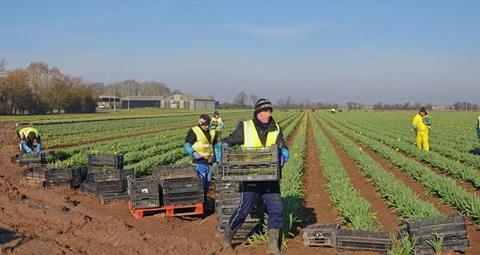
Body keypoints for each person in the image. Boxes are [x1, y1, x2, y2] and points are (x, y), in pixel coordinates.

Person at [220, 98, 289, 255]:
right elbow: (229, 141)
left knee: (276, 208)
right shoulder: (246, 127)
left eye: (269, 111)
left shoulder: (276, 128)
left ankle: (272, 245)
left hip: (270, 176)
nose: (267, 114)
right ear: (257, 113)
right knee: (244, 210)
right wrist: (223, 147)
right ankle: (227, 237)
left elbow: (283, 145)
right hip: (250, 176)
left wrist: (284, 153)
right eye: (264, 111)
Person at [183, 114, 219, 199]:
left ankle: (205, 203)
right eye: (204, 125)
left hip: (209, 162)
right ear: (200, 123)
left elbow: (215, 146)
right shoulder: (194, 131)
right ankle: (201, 203)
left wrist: (217, 158)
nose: (206, 126)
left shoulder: (212, 132)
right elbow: (187, 145)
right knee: (200, 184)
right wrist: (193, 153)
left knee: (207, 184)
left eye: (208, 124)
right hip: (199, 163)